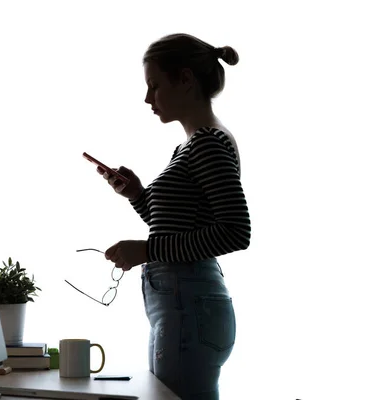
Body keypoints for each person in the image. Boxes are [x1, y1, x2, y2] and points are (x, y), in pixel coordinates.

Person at [100, 33, 251, 400]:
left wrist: (148, 251)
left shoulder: (207, 143)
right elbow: (180, 224)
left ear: (185, 79)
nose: (148, 98)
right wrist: (137, 195)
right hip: (184, 307)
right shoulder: (191, 144)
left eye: (155, 86)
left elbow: (235, 231)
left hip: (189, 307)